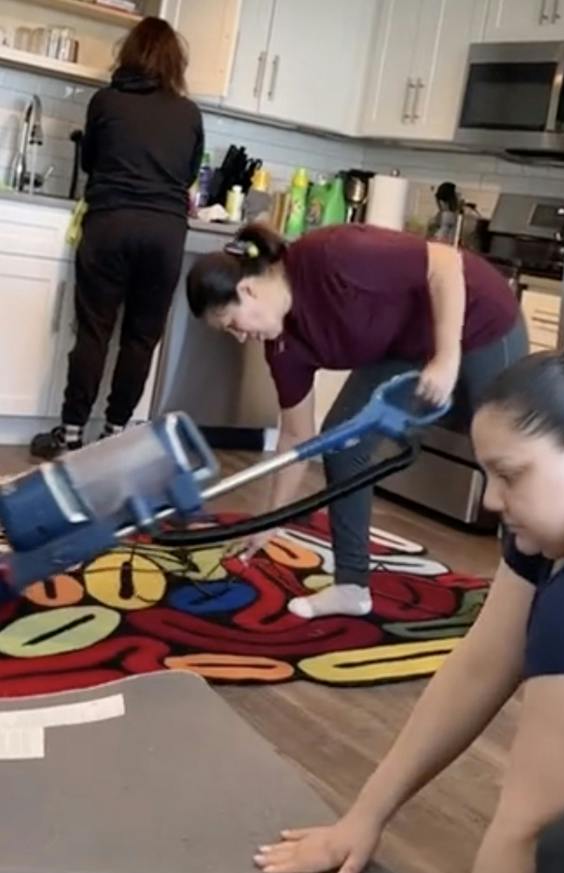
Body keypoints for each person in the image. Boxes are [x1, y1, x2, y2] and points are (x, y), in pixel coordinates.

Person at [250, 336, 564, 873]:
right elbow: (481, 664)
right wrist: (365, 816)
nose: (493, 502)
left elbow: (526, 828)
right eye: (488, 476)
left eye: (511, 474)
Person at [184, 221, 527, 619]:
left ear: (247, 290)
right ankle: (351, 587)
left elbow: (445, 264)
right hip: (410, 344)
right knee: (342, 442)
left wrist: (447, 357)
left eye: (231, 324)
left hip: (479, 318)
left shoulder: (330, 256)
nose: (240, 337)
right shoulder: (283, 348)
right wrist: (271, 521)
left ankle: (524, 599)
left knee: (506, 457)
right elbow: (297, 436)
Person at [30, 17, 203, 461]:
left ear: (128, 54)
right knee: (141, 338)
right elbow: (186, 174)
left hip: (110, 226)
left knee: (93, 332)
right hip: (164, 232)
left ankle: (70, 434)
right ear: (174, 61)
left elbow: (90, 161)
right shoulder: (188, 113)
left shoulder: (105, 101)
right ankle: (114, 434)